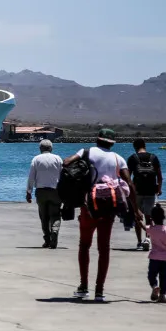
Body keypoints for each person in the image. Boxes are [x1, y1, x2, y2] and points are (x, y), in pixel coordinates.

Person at [63, 128, 139, 301]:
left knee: (84, 245)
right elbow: (129, 183)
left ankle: (83, 287)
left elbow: (67, 162)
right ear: (112, 143)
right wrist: (136, 209)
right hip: (109, 207)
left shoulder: (86, 152)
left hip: (89, 205)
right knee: (104, 248)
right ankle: (100, 291)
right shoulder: (118, 159)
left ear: (97, 140)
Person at [26, 139, 63, 248]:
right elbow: (63, 176)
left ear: (40, 148)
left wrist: (29, 192)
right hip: (55, 191)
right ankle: (55, 231)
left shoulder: (36, 159)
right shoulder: (58, 159)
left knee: (44, 216)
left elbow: (31, 177)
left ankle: (47, 239)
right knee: (55, 215)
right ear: (51, 148)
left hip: (41, 191)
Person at [127, 139, 163, 251]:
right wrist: (159, 189)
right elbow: (160, 176)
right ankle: (147, 239)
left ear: (134, 146)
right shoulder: (154, 157)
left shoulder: (133, 158)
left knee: (137, 216)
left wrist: (129, 192)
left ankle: (138, 242)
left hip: (137, 192)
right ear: (145, 145)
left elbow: (128, 178)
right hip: (150, 191)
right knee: (149, 217)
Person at [138, 204, 166, 303]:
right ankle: (162, 295)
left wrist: (137, 218)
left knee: (152, 275)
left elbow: (142, 226)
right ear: (164, 217)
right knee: (164, 277)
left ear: (152, 218)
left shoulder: (151, 229)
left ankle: (155, 286)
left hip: (154, 257)